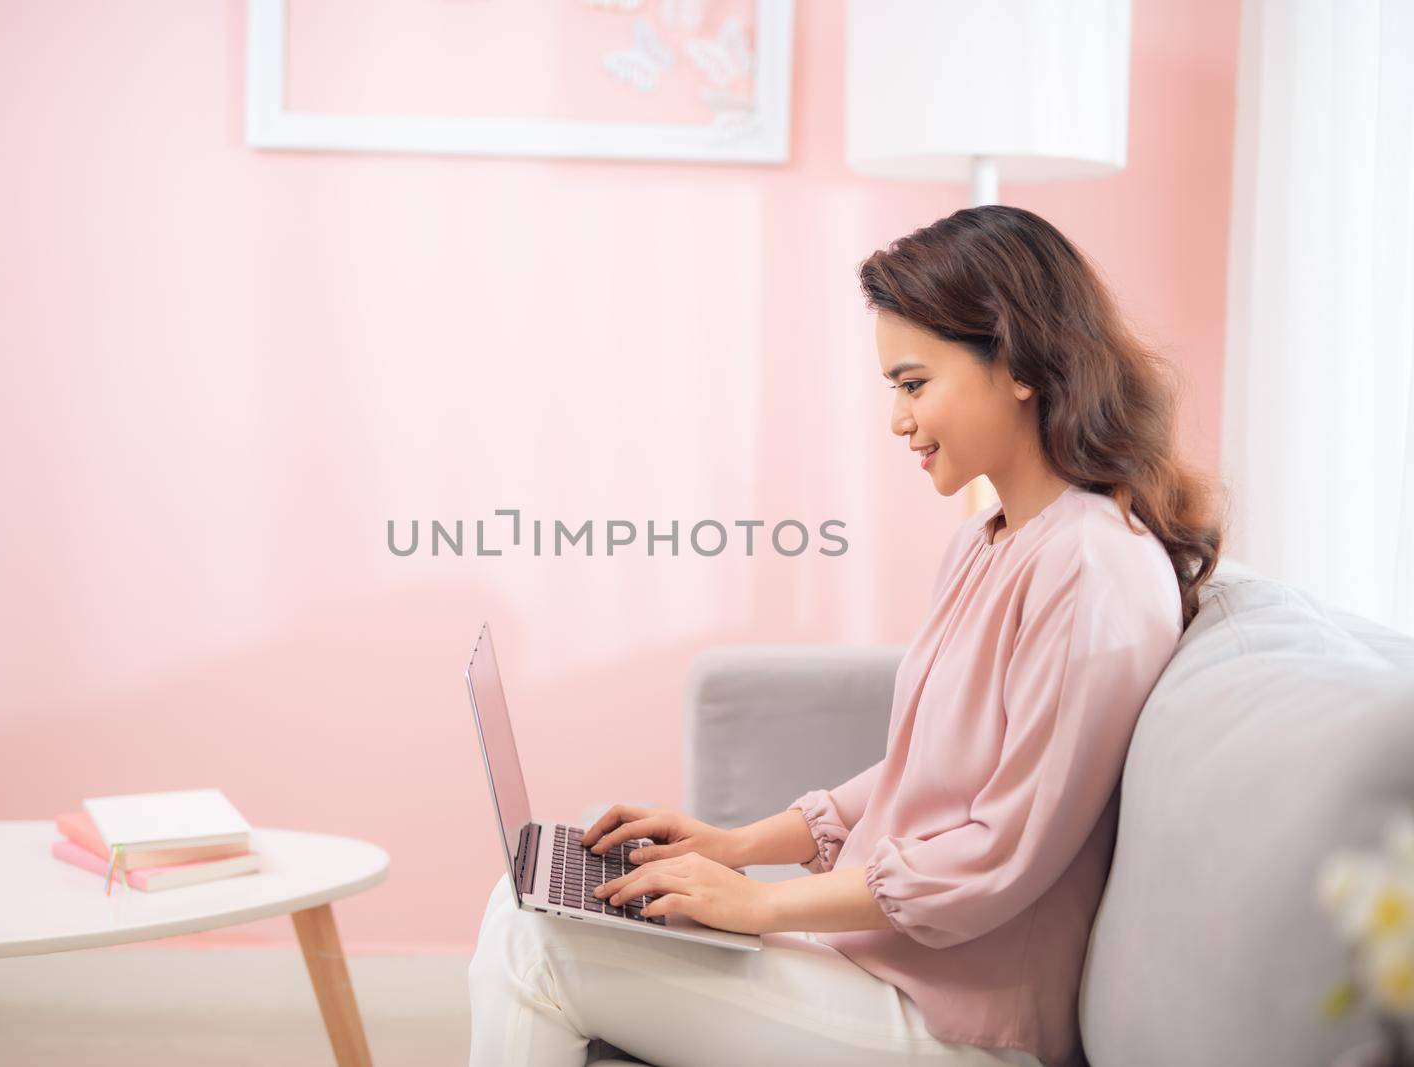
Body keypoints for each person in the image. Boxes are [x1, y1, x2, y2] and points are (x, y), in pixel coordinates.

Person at [467, 204, 1228, 1067]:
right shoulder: (992, 542)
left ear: (1015, 363)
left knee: (540, 951)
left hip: (960, 1024)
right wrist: (733, 844)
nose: (898, 420)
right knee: (522, 902)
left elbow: (1001, 856)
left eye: (914, 383)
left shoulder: (1092, 569)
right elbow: (919, 772)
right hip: (883, 972)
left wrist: (757, 905)